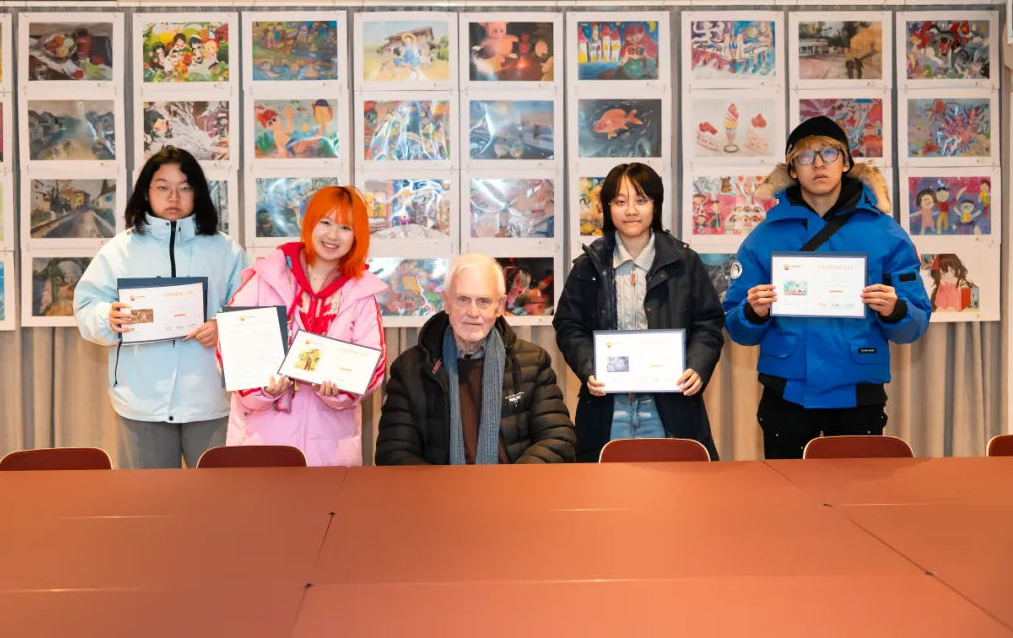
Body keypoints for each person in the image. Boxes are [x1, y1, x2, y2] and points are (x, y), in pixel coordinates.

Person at [723, 116, 931, 459]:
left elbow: (915, 325)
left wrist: (896, 309)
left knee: (858, 491)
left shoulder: (885, 232)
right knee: (785, 492)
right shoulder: (764, 236)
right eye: (805, 156)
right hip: (786, 394)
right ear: (792, 170)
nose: (818, 163)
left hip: (858, 394)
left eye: (829, 153)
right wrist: (752, 312)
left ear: (846, 162)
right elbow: (737, 328)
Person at [75, 147, 249, 469]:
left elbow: (250, 310)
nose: (174, 197)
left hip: (211, 401)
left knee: (217, 495)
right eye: (163, 187)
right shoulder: (119, 250)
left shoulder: (226, 250)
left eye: (184, 187)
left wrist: (222, 327)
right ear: (146, 192)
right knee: (150, 498)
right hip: (142, 403)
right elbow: (86, 305)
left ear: (197, 193)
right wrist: (107, 318)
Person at [553, 163, 725, 462]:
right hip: (608, 407)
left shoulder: (684, 262)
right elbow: (568, 325)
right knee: (605, 488)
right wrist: (589, 366)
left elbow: (708, 322)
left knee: (673, 486)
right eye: (620, 201)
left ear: (655, 205)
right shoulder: (588, 265)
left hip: (670, 405)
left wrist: (697, 365)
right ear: (608, 207)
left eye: (641, 200)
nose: (630, 210)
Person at [220, 186, 386, 467]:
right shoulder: (267, 278)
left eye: (345, 227)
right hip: (261, 443)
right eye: (326, 222)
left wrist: (340, 392)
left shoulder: (361, 294)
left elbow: (373, 366)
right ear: (309, 223)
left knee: (327, 499)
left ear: (357, 236)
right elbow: (231, 346)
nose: (333, 235)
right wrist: (262, 390)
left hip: (331, 450)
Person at [376, 253, 576, 465]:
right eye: (463, 299)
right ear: (447, 302)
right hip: (439, 486)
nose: (473, 312)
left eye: (484, 301)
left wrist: (514, 480)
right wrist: (440, 485)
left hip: (514, 483)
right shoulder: (410, 368)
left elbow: (558, 439)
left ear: (499, 306)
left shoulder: (533, 362)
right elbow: (394, 451)